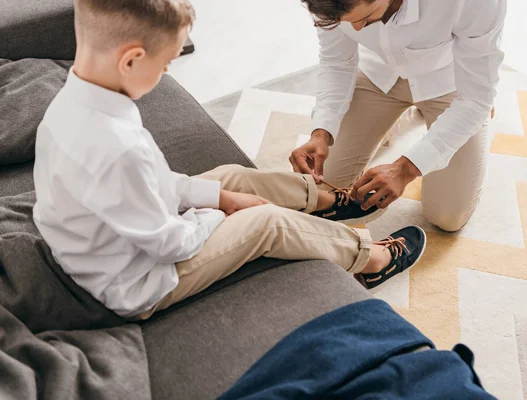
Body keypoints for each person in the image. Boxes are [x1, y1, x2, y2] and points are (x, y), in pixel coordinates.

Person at [32, 0, 427, 321]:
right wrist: (223, 214)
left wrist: (224, 196)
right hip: (141, 281)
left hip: (118, 240)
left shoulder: (78, 102)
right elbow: (169, 243)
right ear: (131, 59)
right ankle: (370, 259)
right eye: (167, 63)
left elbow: (154, 182)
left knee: (229, 178)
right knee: (266, 221)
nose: (167, 71)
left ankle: (326, 202)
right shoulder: (114, 147)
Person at [290, 0, 506, 232]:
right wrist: (321, 131)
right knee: (321, 191)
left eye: (367, 18)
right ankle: (402, 121)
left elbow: (476, 98)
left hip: (452, 84)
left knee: (447, 216)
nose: (358, 30)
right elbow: (337, 62)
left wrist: (405, 169)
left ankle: (474, 123)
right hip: (379, 75)